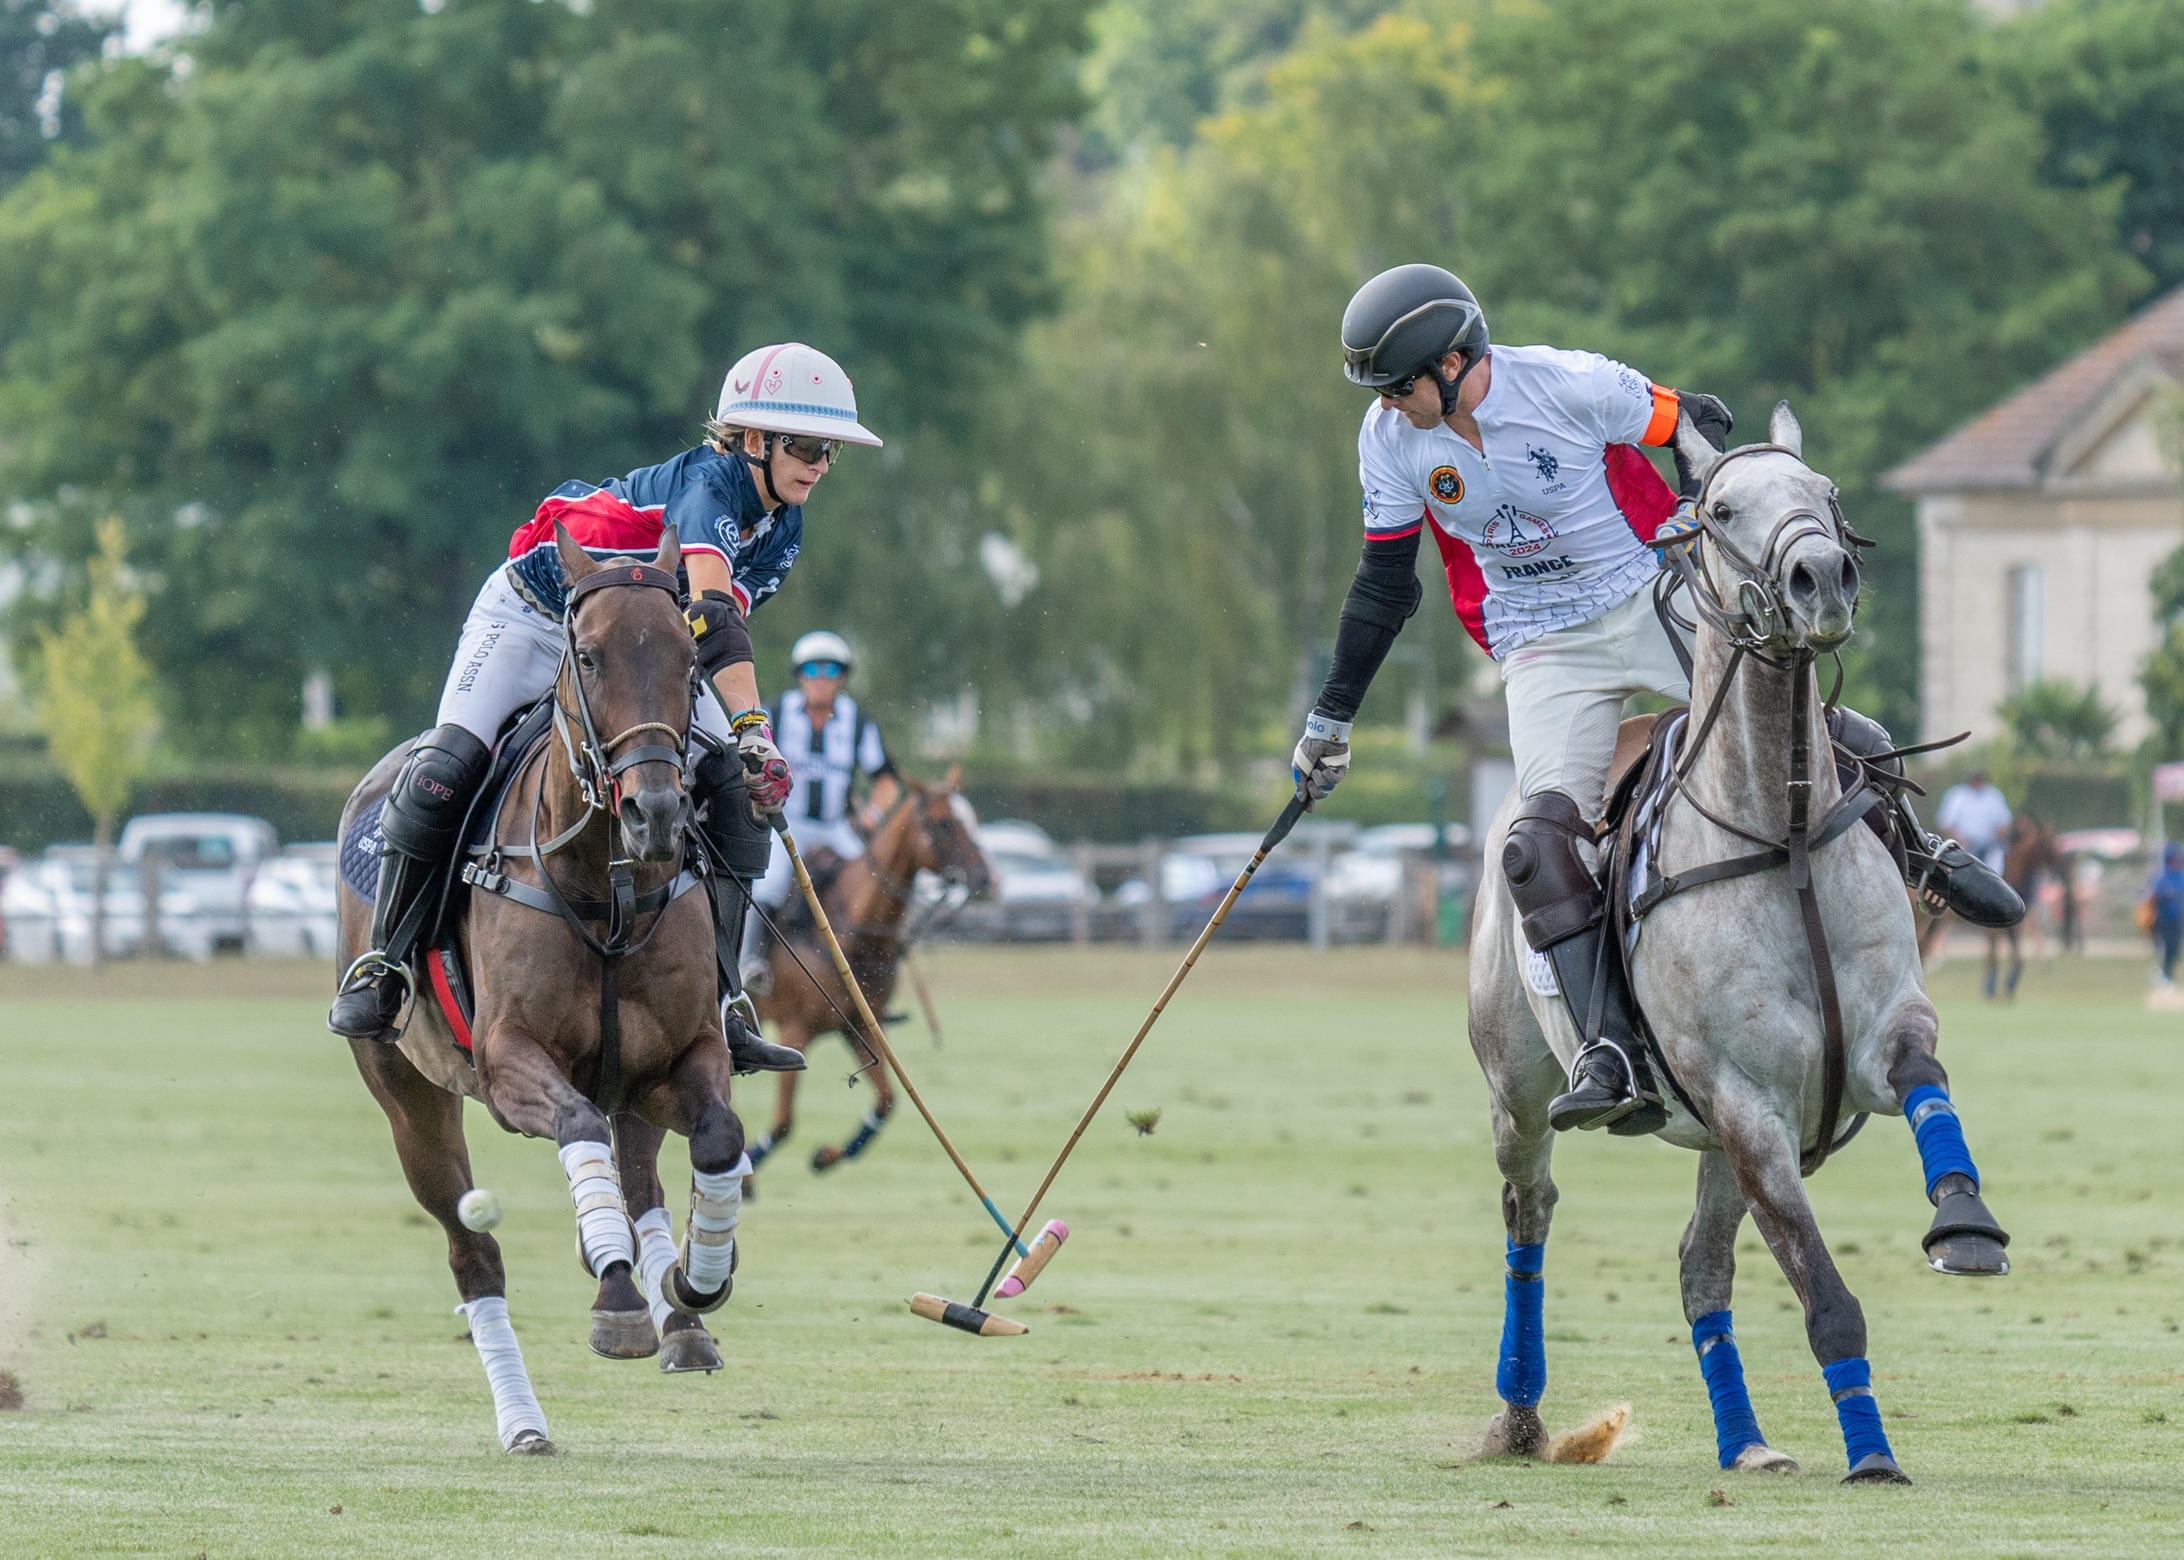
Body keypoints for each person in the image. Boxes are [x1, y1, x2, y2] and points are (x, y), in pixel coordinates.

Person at [1291, 264, 2023, 1135]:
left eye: (1397, 385)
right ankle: (1608, 1049)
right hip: (1541, 643)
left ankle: (1919, 850)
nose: (1384, 404)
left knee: (1811, 727)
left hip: (1650, 595)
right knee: (1535, 843)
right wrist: (1330, 721)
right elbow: (1383, 588)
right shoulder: (1390, 440)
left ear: (1453, 363)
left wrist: (1684, 508)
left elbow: (1700, 422)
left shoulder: (1570, 384)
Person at [329, 342, 882, 1075]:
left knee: (732, 797)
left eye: (829, 452)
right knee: (448, 763)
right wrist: (756, 729)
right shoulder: (712, 491)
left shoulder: (783, 525)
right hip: (532, 615)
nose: (818, 464)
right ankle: (384, 965)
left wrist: (747, 754)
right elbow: (714, 618)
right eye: (807, 446)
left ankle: (724, 1005)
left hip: (639, 650)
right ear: (753, 440)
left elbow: (701, 637)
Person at [738, 630, 902, 994]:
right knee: (770, 884)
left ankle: (878, 971)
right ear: (800, 674)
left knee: (876, 881)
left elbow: (886, 780)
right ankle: (752, 961)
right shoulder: (776, 714)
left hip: (834, 827)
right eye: (812, 669)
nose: (821, 679)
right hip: (788, 824)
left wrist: (872, 814)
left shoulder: (857, 721)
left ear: (841, 678)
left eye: (830, 671)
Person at [1935, 770, 2012, 879]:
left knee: (1996, 871)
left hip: (1990, 845)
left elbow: (2005, 820)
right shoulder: (1957, 797)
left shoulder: (1993, 795)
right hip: (1966, 846)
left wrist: (1998, 832)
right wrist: (1959, 837)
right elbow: (1945, 823)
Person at [2148, 841, 2184, 989]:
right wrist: (2165, 896)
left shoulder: (2181, 877)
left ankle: (2166, 973)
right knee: (2168, 946)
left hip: (2177, 918)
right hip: (2164, 918)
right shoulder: (2163, 877)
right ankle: (2165, 975)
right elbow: (2153, 897)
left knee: (2175, 948)